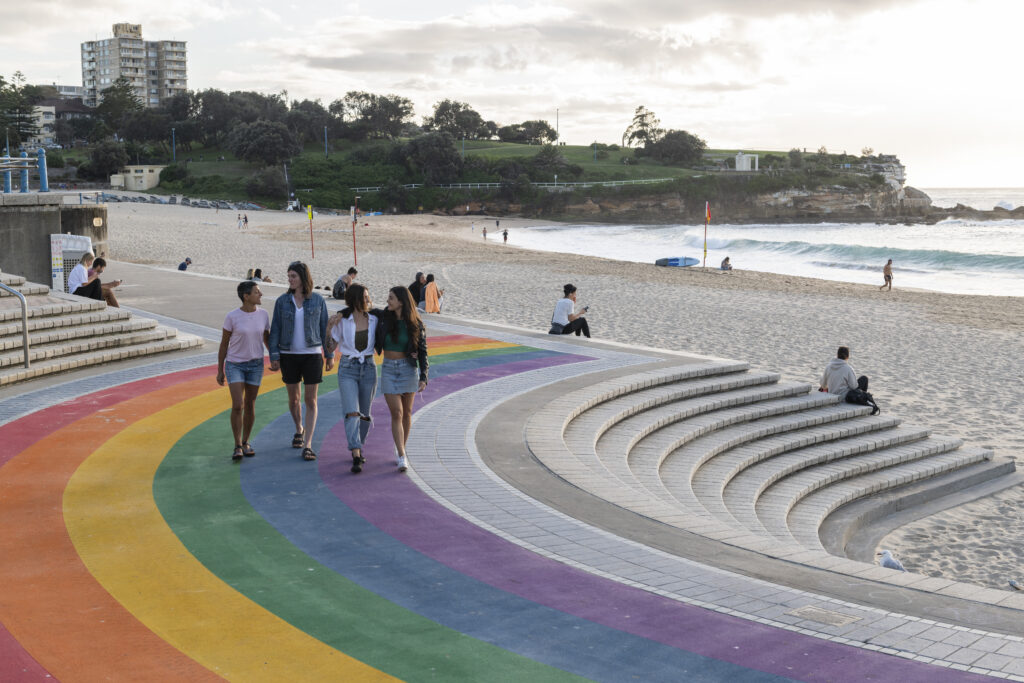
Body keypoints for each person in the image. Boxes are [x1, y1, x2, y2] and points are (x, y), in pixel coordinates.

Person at [268, 261, 333, 461]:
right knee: (294, 399)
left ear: (304, 278)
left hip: (312, 354)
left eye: (293, 276)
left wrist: (329, 355)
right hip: (288, 355)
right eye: (289, 276)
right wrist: (274, 355)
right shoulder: (282, 301)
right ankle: (299, 428)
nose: (290, 280)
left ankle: (309, 444)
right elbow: (276, 329)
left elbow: (325, 329)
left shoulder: (317, 301)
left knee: (310, 400)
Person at [326, 284, 382, 473]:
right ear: (355, 300)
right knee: (352, 411)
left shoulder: (374, 318)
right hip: (348, 367)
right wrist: (329, 327)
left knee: (365, 414)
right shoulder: (343, 320)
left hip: (368, 367)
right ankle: (356, 453)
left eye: (368, 297)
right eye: (364, 297)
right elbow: (330, 347)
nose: (368, 300)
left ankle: (359, 444)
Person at [217, 280, 271, 461]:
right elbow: (224, 344)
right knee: (238, 405)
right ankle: (237, 444)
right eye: (257, 292)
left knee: (250, 404)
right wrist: (220, 369)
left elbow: (266, 340)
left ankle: (246, 442)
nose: (261, 294)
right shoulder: (232, 316)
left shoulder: (263, 315)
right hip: (235, 364)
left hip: (256, 365)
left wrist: (275, 358)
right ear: (246, 296)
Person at [376, 286, 428, 472]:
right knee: (396, 413)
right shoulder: (383, 317)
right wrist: (341, 314)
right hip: (389, 369)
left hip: (408, 369)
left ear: (401, 302)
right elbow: (360, 308)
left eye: (391, 298)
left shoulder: (415, 324)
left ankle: (401, 449)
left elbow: (422, 351)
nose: (388, 301)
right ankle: (401, 454)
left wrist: (424, 376)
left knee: (406, 413)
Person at [819, 346, 875, 413]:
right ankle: (862, 401)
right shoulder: (847, 368)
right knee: (864, 379)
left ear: (837, 355)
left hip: (832, 395)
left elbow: (823, 385)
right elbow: (854, 386)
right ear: (847, 357)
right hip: (845, 397)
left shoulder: (828, 367)